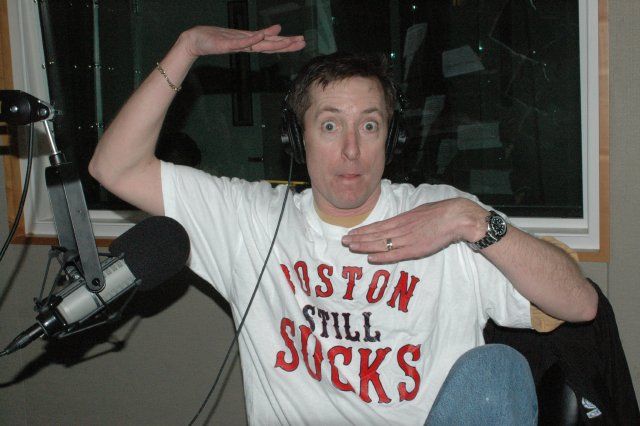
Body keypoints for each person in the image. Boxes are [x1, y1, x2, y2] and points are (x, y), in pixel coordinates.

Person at [89, 25, 598, 425]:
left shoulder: (445, 215)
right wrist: (187, 48)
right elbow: (114, 167)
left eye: (369, 126)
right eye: (330, 125)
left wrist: (471, 220)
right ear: (296, 139)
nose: (351, 150)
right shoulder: (249, 220)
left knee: (498, 371)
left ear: (391, 140)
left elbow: (579, 304)